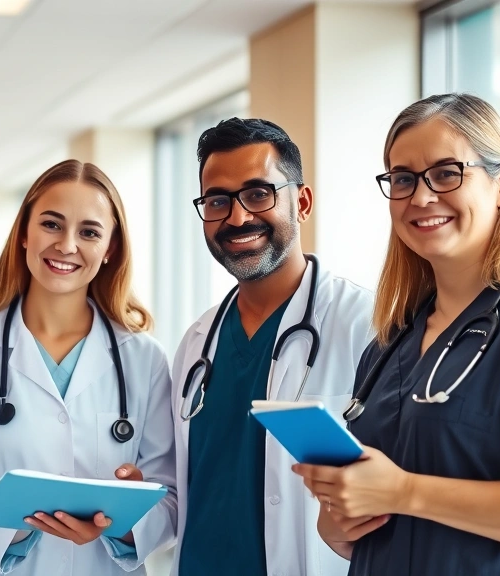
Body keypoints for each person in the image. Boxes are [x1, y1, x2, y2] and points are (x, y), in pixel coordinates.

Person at [293, 93, 500, 575]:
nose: (421, 197)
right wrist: (338, 521)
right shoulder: (391, 343)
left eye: (446, 173)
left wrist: (405, 491)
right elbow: (364, 532)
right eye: (403, 179)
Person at [0, 159, 176, 575]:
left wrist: (120, 523)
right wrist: (22, 526)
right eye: (51, 224)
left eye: (89, 232)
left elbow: (171, 496)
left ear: (110, 249)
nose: (67, 245)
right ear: (24, 234)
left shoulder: (143, 358)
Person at [171, 118, 375, 576]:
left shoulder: (367, 325)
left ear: (301, 202)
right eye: (217, 201)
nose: (237, 217)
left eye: (258, 193)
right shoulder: (196, 344)